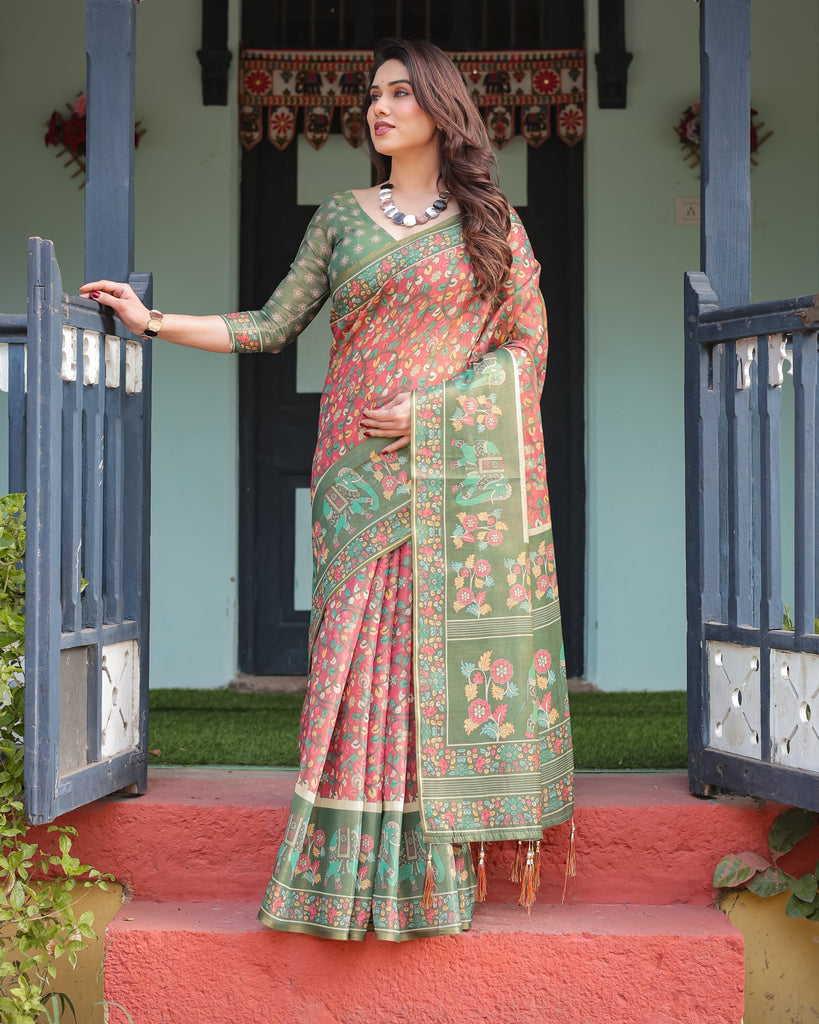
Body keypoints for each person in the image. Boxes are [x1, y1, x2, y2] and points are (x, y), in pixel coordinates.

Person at [81, 37, 574, 941]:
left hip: (444, 478)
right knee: (349, 670)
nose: (378, 109)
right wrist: (150, 322)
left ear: (438, 107)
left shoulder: (493, 224)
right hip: (353, 479)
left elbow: (524, 354)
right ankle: (334, 882)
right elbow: (270, 325)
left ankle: (428, 884)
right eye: (372, 95)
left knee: (426, 675)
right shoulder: (341, 219)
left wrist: (433, 410)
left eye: (398, 94)